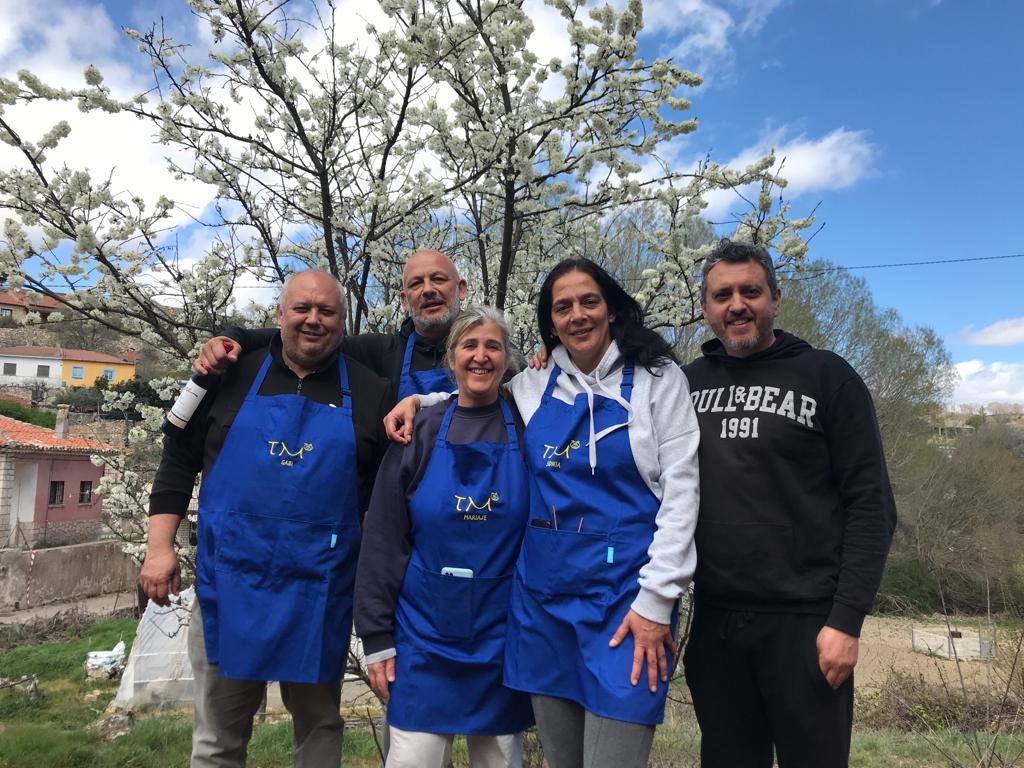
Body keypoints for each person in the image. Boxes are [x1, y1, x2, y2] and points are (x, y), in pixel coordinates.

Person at [388, 258, 700, 768]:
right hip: (544, 608)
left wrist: (657, 602)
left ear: (613, 310)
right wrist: (419, 401)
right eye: (563, 307)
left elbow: (683, 495)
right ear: (550, 322)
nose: (577, 315)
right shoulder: (535, 383)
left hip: (628, 607)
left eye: (588, 302)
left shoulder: (659, 381)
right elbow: (476, 393)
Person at [140, 270, 389, 768]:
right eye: (301, 309)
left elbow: (382, 501)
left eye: (327, 311)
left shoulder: (371, 391)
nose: (313, 320)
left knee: (319, 729)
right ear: (279, 315)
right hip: (229, 588)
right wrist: (158, 548)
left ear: (344, 322)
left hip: (318, 593)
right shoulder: (227, 372)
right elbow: (176, 461)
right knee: (217, 739)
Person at [681, 239, 896, 768]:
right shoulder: (686, 384)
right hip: (716, 624)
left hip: (807, 625)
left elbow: (871, 505)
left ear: (775, 298)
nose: (737, 305)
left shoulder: (827, 376)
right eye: (722, 295)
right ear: (705, 308)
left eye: (750, 291)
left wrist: (846, 621)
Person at [355, 306, 534, 768]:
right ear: (451, 360)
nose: (481, 356)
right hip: (422, 639)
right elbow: (383, 539)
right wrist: (376, 637)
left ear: (507, 358)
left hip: (503, 639)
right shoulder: (419, 432)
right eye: (469, 346)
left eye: (492, 346)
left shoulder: (532, 428)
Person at [193, 249, 469, 403]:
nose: (428, 290)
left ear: (461, 289)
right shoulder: (381, 351)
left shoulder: (495, 354)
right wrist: (235, 337)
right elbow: (307, 335)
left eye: (438, 279)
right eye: (416, 283)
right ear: (405, 300)